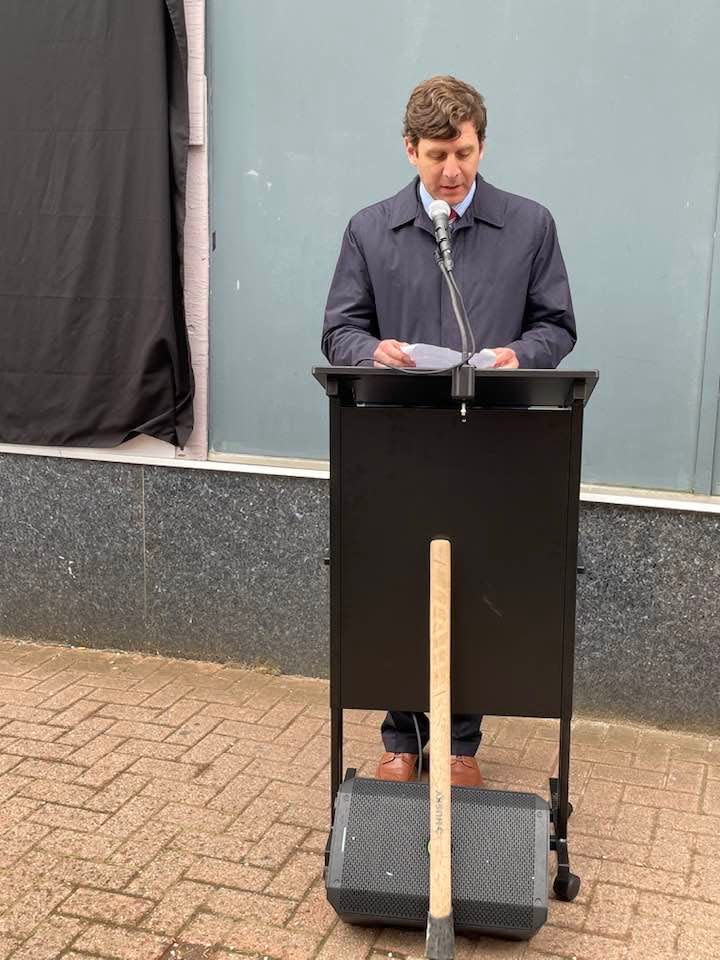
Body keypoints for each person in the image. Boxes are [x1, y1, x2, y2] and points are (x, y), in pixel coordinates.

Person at [321, 75, 576, 787]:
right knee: (400, 583)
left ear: (481, 143)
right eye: (437, 155)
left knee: (474, 585)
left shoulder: (529, 225)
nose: (453, 171)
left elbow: (556, 326)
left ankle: (461, 747)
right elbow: (341, 328)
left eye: (463, 152)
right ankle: (402, 740)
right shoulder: (370, 229)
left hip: (490, 441)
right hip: (397, 441)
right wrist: (372, 352)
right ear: (410, 150)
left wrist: (516, 356)